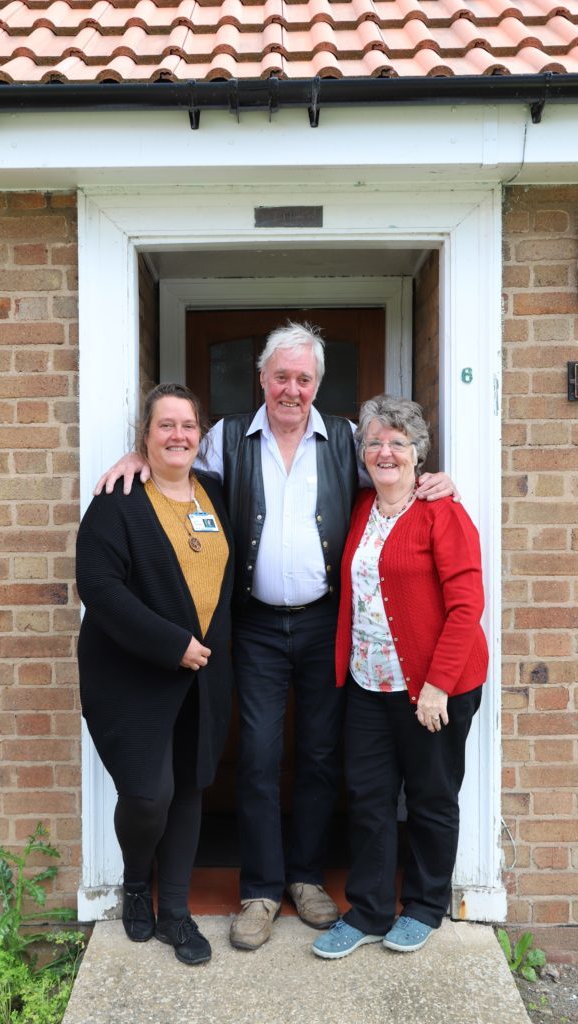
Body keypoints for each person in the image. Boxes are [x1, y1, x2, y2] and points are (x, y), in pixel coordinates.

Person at [96, 323, 457, 952]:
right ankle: (260, 889)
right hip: (256, 623)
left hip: (325, 620)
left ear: (319, 384)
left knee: (319, 755)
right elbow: (169, 463)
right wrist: (135, 457)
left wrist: (439, 479)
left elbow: (394, 471)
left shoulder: (346, 439)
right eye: (281, 376)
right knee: (259, 756)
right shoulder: (226, 438)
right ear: (262, 378)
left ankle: (307, 878)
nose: (293, 389)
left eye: (305, 378)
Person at [311, 394, 488, 960]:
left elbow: (466, 607)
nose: (385, 452)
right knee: (368, 798)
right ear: (362, 452)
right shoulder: (361, 508)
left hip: (435, 689)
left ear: (418, 453)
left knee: (432, 799)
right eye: (375, 442)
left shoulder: (443, 512)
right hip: (368, 683)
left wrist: (436, 685)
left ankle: (424, 906)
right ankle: (366, 910)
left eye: (398, 442)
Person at [77, 383, 234, 965]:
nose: (178, 436)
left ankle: (175, 915)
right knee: (149, 795)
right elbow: (99, 588)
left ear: (201, 434)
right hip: (130, 673)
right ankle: (135, 882)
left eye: (188, 425)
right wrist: (172, 644)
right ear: (144, 436)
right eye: (165, 425)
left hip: (203, 674)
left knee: (190, 785)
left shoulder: (215, 493)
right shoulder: (119, 498)